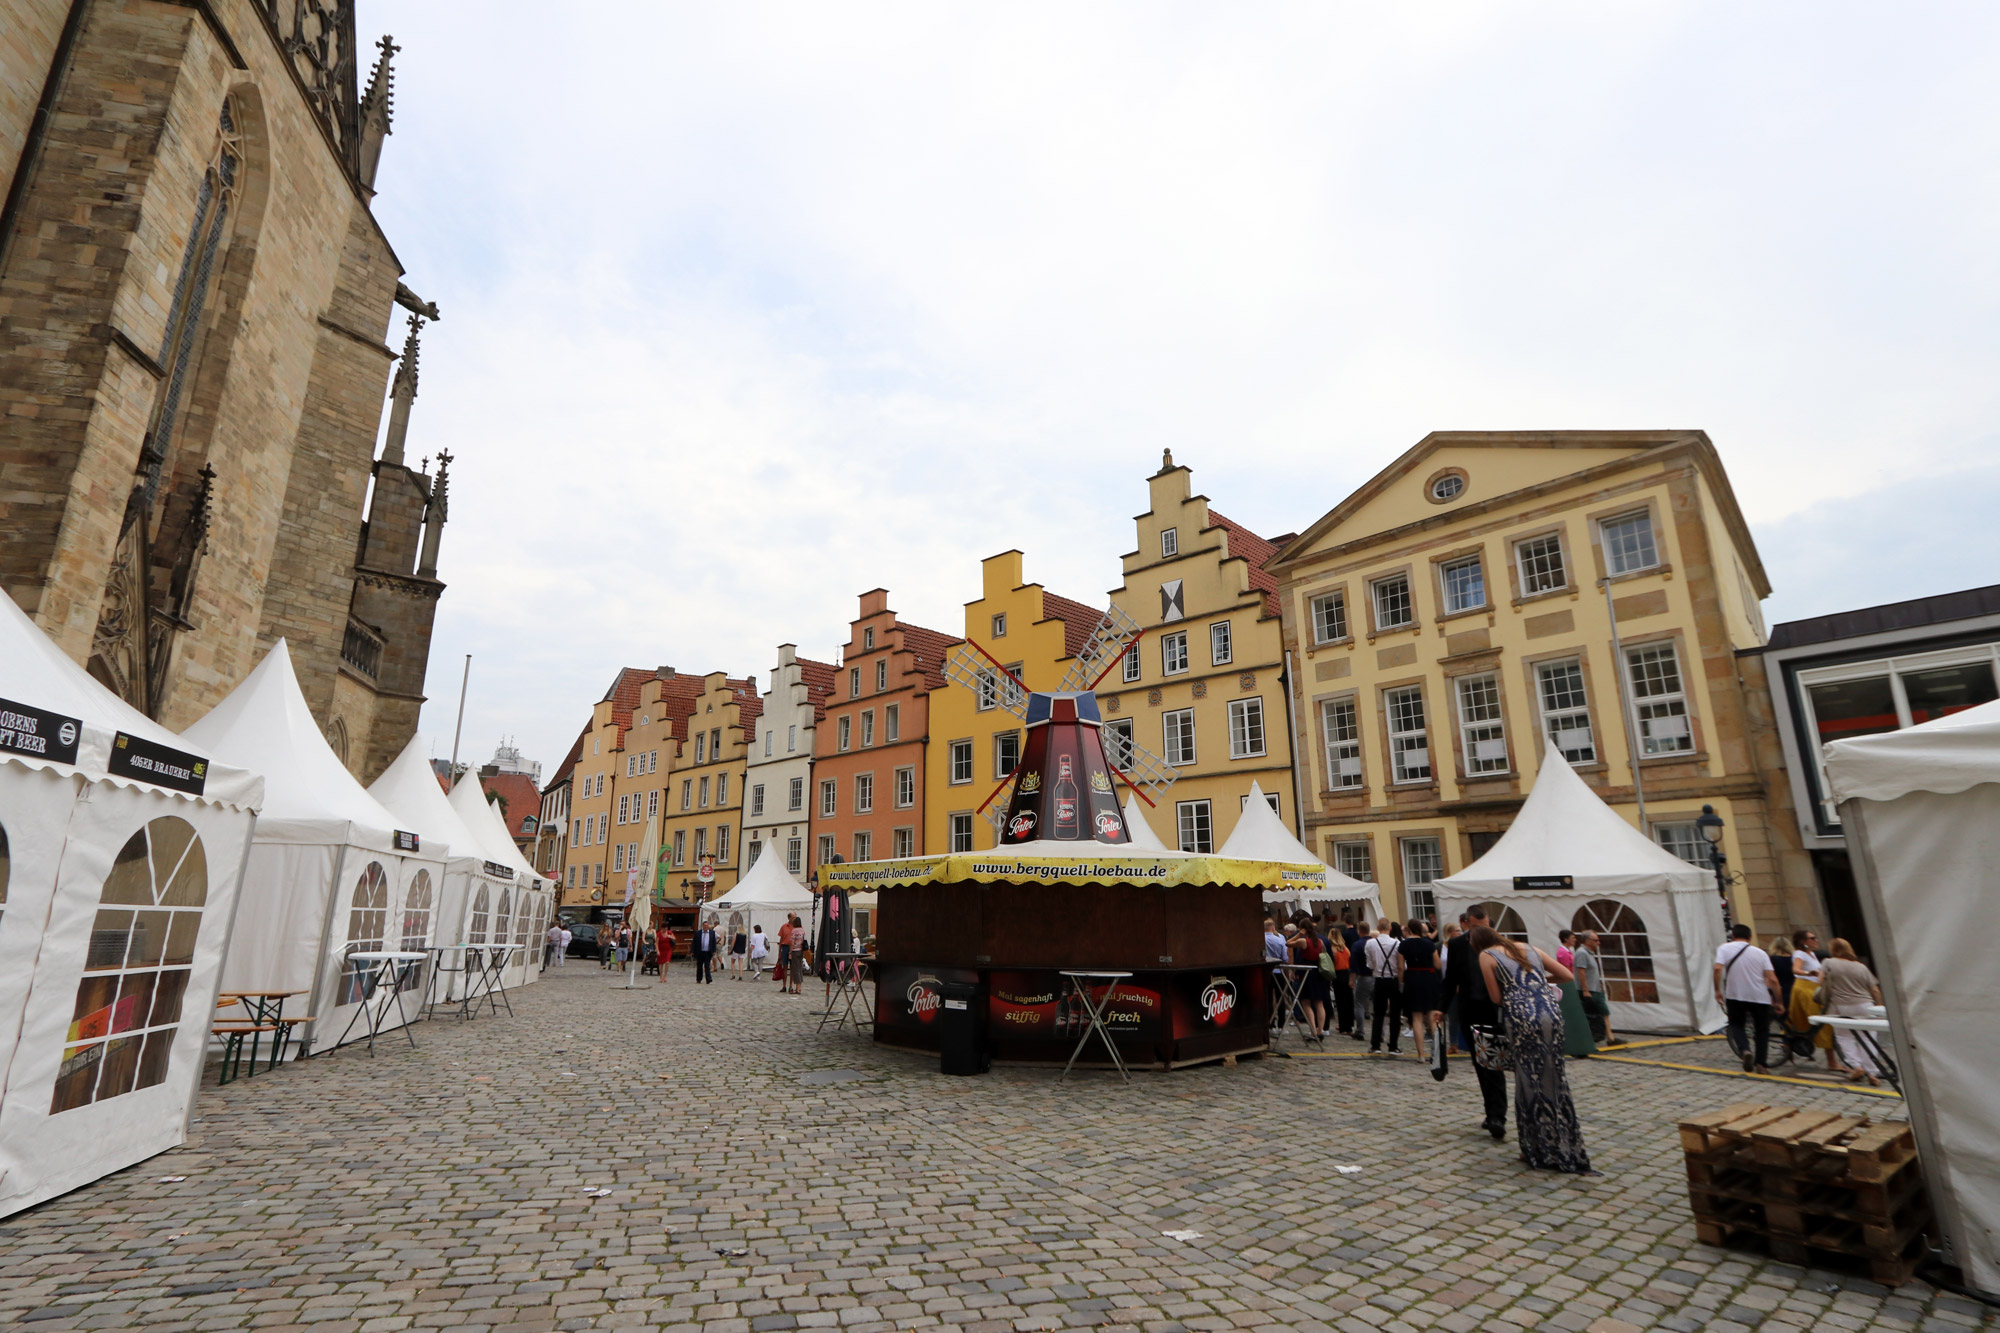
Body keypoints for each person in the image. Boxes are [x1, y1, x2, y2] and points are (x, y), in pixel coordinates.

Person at [1473, 924, 1594, 1174]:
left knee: (1529, 1082)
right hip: (1550, 1012)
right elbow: (1567, 975)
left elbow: (1496, 998)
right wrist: (1540, 982)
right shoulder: (1530, 948)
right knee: (1555, 1079)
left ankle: (1534, 1147)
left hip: (1521, 1017)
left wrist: (1517, 990)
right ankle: (1565, 1144)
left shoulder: (1486, 956)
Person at [1435, 905, 1509, 1140]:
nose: (1480, 932)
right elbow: (1450, 980)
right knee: (1480, 1063)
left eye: (1484, 927)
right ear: (1466, 924)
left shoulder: (1500, 944)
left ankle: (1498, 1115)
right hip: (1469, 1009)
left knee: (1493, 1064)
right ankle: (1491, 1112)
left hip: (1493, 1010)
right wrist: (1442, 1008)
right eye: (1476, 927)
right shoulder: (1457, 945)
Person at [1714, 923, 1783, 1075]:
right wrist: (1779, 1001)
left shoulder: (1724, 948)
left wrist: (1717, 989)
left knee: (1736, 1024)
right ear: (1750, 938)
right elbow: (1773, 979)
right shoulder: (1760, 953)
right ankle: (1761, 1064)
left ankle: (1745, 1050)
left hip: (1735, 995)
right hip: (1760, 997)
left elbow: (1718, 968)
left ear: (1733, 936)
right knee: (1762, 1030)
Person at [1821, 939, 1885, 1086]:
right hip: (1865, 1004)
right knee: (1868, 1038)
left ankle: (1856, 1066)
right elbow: (1875, 989)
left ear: (1833, 950)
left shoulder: (1828, 962)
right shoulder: (1861, 966)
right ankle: (1872, 1072)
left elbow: (1820, 982)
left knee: (1844, 1037)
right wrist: (1879, 1007)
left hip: (1841, 1006)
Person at [1396, 917, 1441, 1062]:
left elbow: (1401, 967)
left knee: (1416, 1018)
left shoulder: (1403, 945)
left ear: (1409, 929)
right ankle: (1437, 1054)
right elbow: (1438, 964)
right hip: (1428, 977)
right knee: (1432, 1017)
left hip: (1413, 978)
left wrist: (1401, 981)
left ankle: (1421, 1054)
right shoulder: (1429, 944)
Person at [1289, 916, 1330, 1041]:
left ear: (1303, 928)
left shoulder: (1303, 941)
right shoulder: (1320, 941)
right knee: (1319, 1003)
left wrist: (1299, 934)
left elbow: (1288, 943)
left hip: (1306, 973)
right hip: (1318, 972)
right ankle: (1320, 1030)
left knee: (1306, 1002)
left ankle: (1312, 1030)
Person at [1573, 931, 1617, 1046]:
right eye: (1596, 940)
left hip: (1594, 988)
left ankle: (1609, 1037)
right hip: (1590, 990)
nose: (1599, 942)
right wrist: (1586, 990)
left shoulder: (1589, 953)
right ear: (1587, 941)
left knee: (1603, 1013)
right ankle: (1609, 1038)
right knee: (1603, 1011)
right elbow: (1581, 972)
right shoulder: (1582, 953)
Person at [1365, 918, 1402, 1054]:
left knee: (1378, 1013)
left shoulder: (1370, 943)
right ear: (1390, 928)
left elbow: (1369, 964)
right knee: (1395, 1014)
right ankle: (1393, 1045)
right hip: (1393, 979)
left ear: (1378, 927)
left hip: (1379, 979)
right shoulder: (1397, 943)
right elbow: (1401, 964)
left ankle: (1375, 1045)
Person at [1350, 919, 1376, 1043]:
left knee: (1359, 1003)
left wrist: (1351, 979)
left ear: (1359, 931)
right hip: (1376, 976)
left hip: (1364, 976)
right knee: (1377, 1006)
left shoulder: (1357, 945)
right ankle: (1379, 1033)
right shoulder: (1375, 943)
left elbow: (1353, 965)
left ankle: (1360, 1030)